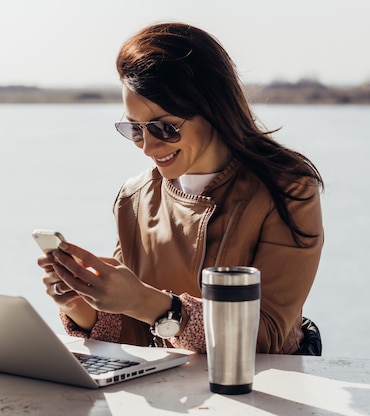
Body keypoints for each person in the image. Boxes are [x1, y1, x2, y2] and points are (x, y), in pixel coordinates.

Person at [37, 22, 324, 355]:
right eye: (135, 129)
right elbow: (134, 335)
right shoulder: (135, 198)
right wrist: (82, 303)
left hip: (262, 395)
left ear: (213, 108)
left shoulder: (287, 189)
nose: (147, 146)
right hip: (172, 398)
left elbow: (267, 336)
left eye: (165, 127)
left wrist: (153, 304)